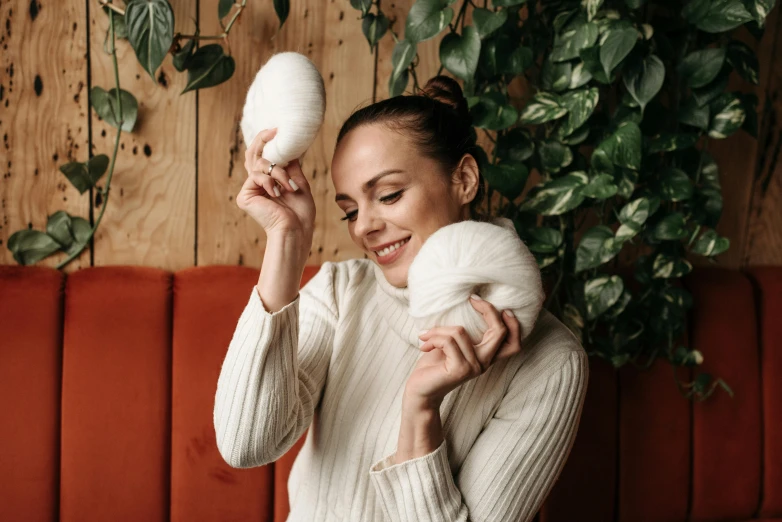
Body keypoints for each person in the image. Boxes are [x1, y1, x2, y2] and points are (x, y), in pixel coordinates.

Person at [213, 75, 589, 522]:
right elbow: (246, 443)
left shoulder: (550, 361)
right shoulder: (340, 291)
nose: (363, 228)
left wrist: (420, 412)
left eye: (388, 195)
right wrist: (287, 240)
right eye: (350, 210)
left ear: (464, 179)